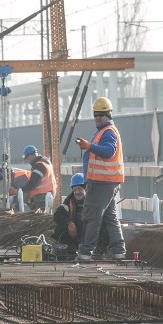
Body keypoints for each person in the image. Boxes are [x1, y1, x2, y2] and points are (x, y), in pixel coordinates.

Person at [75, 96, 126, 261]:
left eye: (101, 114)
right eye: (96, 114)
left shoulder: (109, 132)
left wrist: (89, 146)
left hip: (102, 183)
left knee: (92, 216)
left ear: (109, 115)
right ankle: (118, 250)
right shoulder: (103, 132)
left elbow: (109, 151)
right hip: (105, 182)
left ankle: (85, 252)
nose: (97, 117)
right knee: (110, 217)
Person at [53, 173, 109, 255]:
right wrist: (69, 223)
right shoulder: (69, 202)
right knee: (59, 228)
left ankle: (99, 250)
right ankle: (70, 249)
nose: (77, 192)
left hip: (93, 232)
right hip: (76, 234)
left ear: (86, 188)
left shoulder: (94, 200)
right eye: (75, 190)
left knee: (105, 227)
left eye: (80, 189)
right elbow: (57, 215)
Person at [19, 145, 57, 211]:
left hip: (42, 197)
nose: (28, 161)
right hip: (47, 196)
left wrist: (19, 190)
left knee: (41, 217)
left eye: (27, 158)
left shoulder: (39, 166)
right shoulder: (45, 162)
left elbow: (33, 184)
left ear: (31, 156)